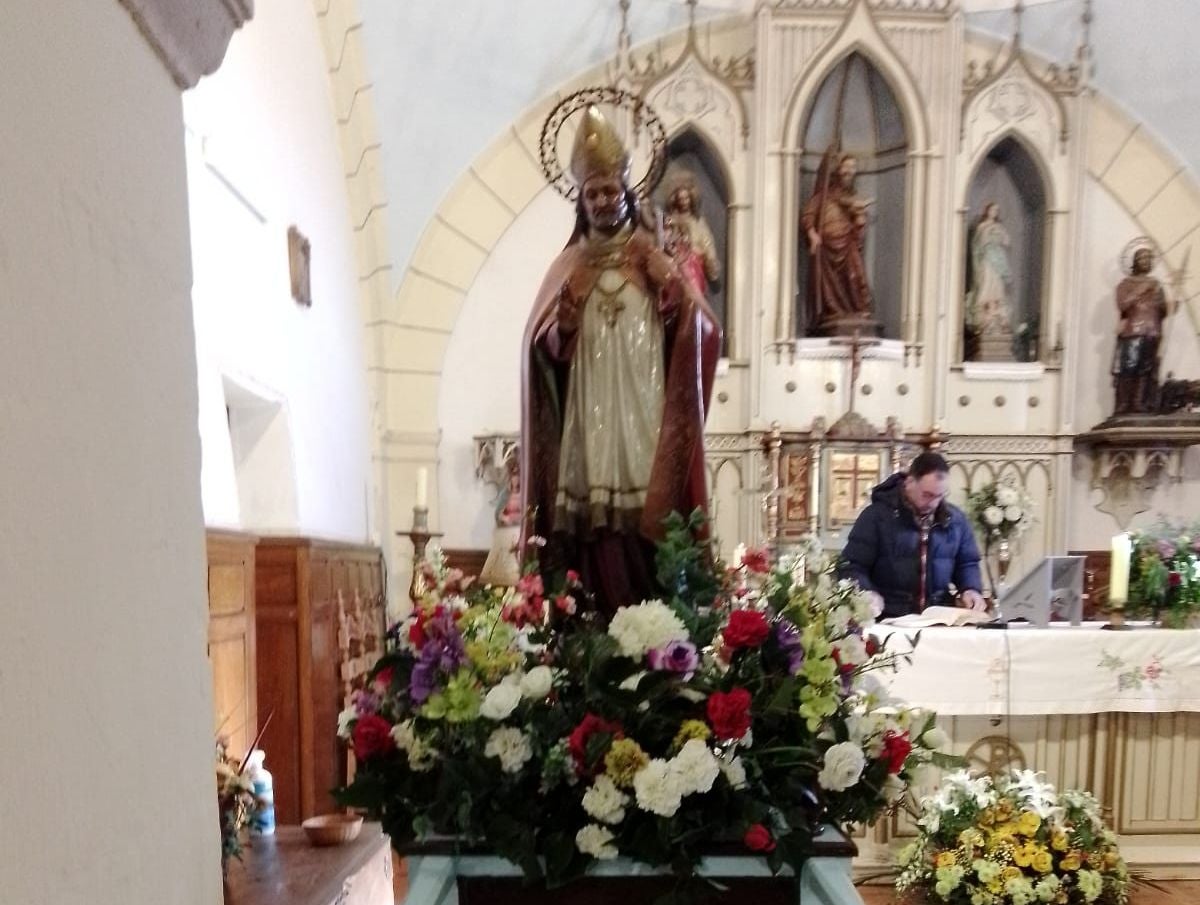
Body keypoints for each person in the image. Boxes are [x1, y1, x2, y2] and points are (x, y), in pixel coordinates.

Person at [520, 106, 722, 614]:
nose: (604, 200)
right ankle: (592, 622)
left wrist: (672, 291)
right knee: (595, 526)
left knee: (646, 518)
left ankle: (653, 625)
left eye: (611, 190)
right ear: (581, 202)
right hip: (588, 421)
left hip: (644, 414)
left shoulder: (654, 256)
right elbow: (541, 352)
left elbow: (703, 329)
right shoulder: (567, 267)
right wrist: (562, 328)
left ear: (626, 192)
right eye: (593, 193)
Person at [839, 452, 986, 619]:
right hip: (888, 617)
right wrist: (867, 593)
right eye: (927, 495)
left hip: (938, 618)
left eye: (940, 496)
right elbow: (851, 566)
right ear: (909, 482)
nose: (933, 503)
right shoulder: (876, 517)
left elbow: (967, 563)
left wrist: (970, 589)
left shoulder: (955, 520)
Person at [801, 149, 873, 335]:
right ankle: (832, 312)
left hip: (846, 244)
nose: (849, 171)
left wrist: (859, 221)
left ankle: (857, 309)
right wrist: (812, 234)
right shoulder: (823, 197)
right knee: (830, 289)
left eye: (852, 167)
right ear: (837, 170)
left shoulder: (852, 198)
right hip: (826, 249)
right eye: (846, 166)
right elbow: (808, 215)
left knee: (855, 277)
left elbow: (858, 223)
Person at [1112, 246, 1170, 415]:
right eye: (1143, 258)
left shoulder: (1157, 285)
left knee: (1146, 369)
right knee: (1129, 367)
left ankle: (1140, 403)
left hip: (1151, 330)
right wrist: (1141, 289)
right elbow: (1123, 304)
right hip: (1132, 331)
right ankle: (1125, 403)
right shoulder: (1125, 284)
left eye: (1149, 258)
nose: (1146, 261)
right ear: (1135, 262)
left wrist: (1166, 305)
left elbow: (1162, 309)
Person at [662, 172, 720, 300]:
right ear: (675, 200)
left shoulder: (697, 221)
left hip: (694, 265)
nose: (683, 202)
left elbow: (706, 242)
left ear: (691, 199)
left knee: (693, 295)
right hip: (676, 264)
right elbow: (665, 241)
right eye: (680, 199)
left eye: (686, 198)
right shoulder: (670, 220)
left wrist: (710, 259)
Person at [965, 202, 1012, 336]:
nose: (994, 212)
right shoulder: (982, 227)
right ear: (987, 211)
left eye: (997, 210)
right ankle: (985, 316)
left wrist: (1000, 235)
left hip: (998, 260)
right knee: (986, 283)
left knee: (997, 286)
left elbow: (1007, 242)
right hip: (986, 260)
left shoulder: (999, 227)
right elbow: (977, 245)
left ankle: (996, 313)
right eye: (992, 210)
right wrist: (988, 236)